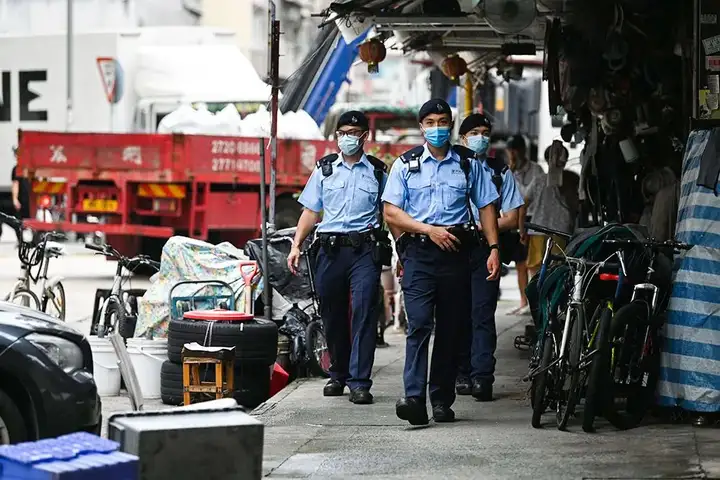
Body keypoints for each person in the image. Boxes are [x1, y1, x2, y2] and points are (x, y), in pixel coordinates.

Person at [382, 99, 501, 425]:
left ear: (450, 124)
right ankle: (414, 397)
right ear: (422, 127)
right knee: (419, 324)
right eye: (430, 122)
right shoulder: (405, 165)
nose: (437, 128)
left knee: (452, 329)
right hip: (420, 253)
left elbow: (487, 205)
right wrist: (425, 232)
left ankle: (441, 399)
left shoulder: (467, 163)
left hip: (456, 253)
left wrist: (493, 248)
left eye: (443, 121)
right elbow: (391, 211)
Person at [287, 110, 390, 405]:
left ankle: (360, 382)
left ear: (364, 137)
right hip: (330, 251)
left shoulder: (378, 172)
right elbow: (311, 211)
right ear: (337, 136)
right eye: (343, 133)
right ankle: (338, 374)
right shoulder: (325, 170)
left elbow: (390, 214)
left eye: (354, 133)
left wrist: (402, 253)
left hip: (364, 251)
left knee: (363, 311)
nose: (348, 138)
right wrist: (296, 244)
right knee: (332, 316)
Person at [454, 113, 524, 400]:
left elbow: (512, 216)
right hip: (454, 248)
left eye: (485, 132)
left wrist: (485, 229)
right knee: (456, 314)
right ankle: (461, 372)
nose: (480, 137)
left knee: (482, 313)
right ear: (462, 138)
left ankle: (482, 376)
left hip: (485, 249)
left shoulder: (498, 170)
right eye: (474, 132)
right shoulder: (450, 167)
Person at [505, 134, 545, 316]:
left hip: (533, 218)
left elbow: (529, 196)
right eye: (510, 150)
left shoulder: (536, 170)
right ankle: (523, 301)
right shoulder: (508, 171)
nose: (513, 154)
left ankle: (534, 300)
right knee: (520, 262)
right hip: (515, 218)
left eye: (516, 150)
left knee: (533, 263)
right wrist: (511, 170)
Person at [10, 147, 30, 243]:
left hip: (30, 199)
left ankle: (34, 240)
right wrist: (15, 199)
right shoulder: (16, 169)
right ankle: (21, 241)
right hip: (22, 199)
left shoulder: (30, 168)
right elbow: (15, 184)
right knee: (18, 221)